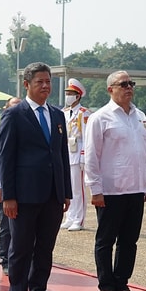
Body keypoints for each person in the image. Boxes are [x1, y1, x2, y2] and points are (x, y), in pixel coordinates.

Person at [0, 62, 72, 291]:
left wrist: (66, 191)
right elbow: (6, 157)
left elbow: (62, 155)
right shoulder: (14, 115)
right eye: (39, 82)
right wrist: (8, 196)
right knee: (20, 248)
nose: (45, 86)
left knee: (45, 248)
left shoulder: (57, 115)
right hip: (24, 195)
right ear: (26, 84)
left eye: (48, 81)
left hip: (52, 194)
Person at [84, 70, 146, 291]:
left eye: (131, 83)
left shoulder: (140, 117)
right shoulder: (100, 118)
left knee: (129, 240)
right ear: (110, 89)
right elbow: (92, 157)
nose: (128, 87)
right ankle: (106, 286)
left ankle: (122, 283)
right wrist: (95, 189)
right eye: (123, 84)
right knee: (105, 240)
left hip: (135, 188)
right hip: (111, 190)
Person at [0, 96, 21, 275]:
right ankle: (5, 259)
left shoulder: (28, 130)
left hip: (25, 186)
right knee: (6, 224)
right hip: (6, 186)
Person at [60, 78, 91, 232]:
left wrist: (84, 155)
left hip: (77, 150)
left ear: (78, 96)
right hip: (66, 151)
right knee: (68, 188)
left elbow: (86, 135)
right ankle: (70, 216)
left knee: (78, 189)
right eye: (66, 93)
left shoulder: (83, 113)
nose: (67, 96)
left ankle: (79, 219)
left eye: (70, 93)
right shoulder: (63, 112)